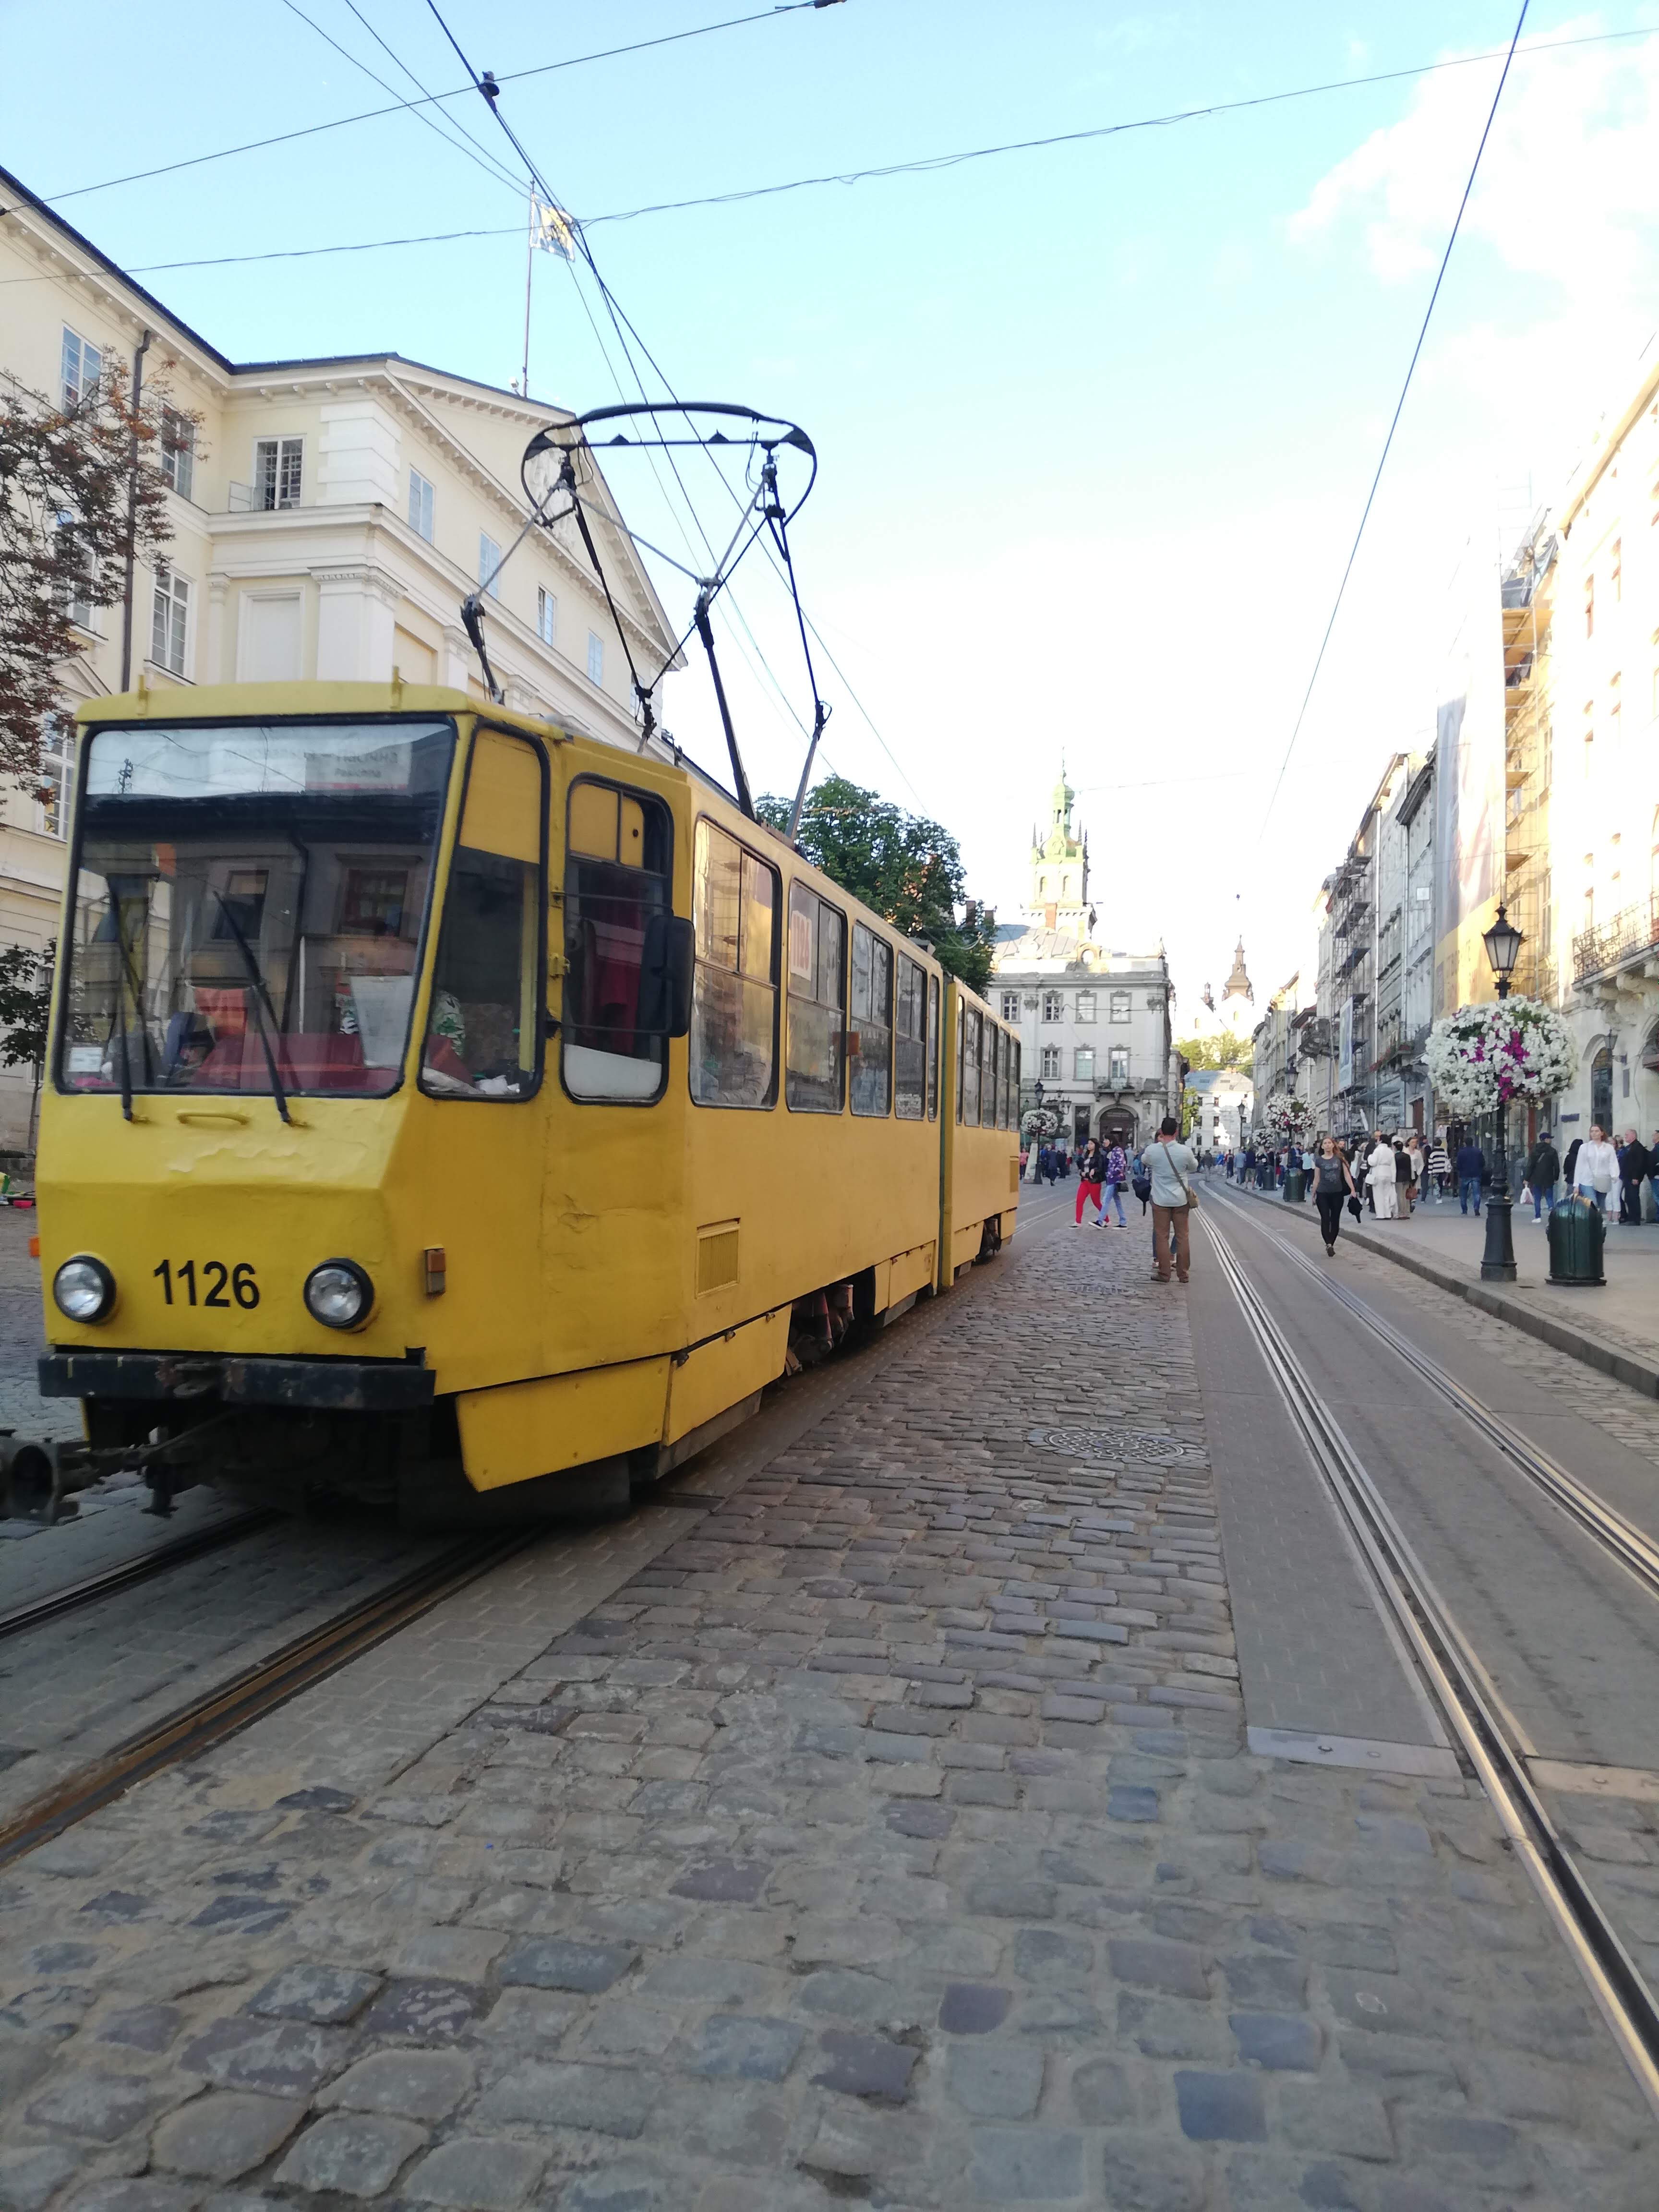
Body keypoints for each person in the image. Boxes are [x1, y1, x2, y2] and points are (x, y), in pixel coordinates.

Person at [1146, 1113, 1200, 1285]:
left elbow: (1145, 1161)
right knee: (1182, 1236)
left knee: (1162, 1236)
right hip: (1180, 1200)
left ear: (1162, 1132)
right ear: (1176, 1132)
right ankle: (1183, 1275)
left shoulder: (1153, 1150)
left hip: (1160, 1200)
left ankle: (1164, 1273)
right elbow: (1194, 1167)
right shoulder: (1185, 1151)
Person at [1311, 1135, 1357, 1257]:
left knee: (1335, 1219)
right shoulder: (1319, 1161)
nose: (1327, 1145)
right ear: (1322, 1147)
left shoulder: (1339, 1158)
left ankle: (1332, 1242)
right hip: (1322, 1193)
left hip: (1337, 1193)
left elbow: (1347, 1175)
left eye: (1329, 1143)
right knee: (1325, 1218)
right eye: (1325, 1143)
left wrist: (1353, 1189)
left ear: (1333, 1145)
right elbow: (1316, 1179)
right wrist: (1313, 1194)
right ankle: (1328, 1244)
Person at [1575, 1124, 1618, 1215]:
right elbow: (1579, 1166)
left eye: (1596, 1131)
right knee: (1592, 1203)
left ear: (1602, 1133)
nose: (1594, 1133)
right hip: (1587, 1180)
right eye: (1592, 1131)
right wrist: (1576, 1184)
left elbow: (1613, 1163)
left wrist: (1615, 1175)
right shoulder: (1584, 1147)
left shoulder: (1609, 1148)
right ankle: (1591, 1221)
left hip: (1603, 1180)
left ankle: (1597, 1221)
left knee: (1601, 1205)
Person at [1523, 1130, 1561, 1221]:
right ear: (1546, 1139)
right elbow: (1557, 1166)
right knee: (1549, 1197)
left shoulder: (1535, 1150)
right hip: (1549, 1177)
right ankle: (1552, 1215)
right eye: (1549, 1139)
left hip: (1537, 1177)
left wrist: (1527, 1178)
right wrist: (1556, 1177)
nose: (1550, 1140)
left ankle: (1538, 1217)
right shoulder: (1552, 1151)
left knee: (1537, 1198)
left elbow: (1531, 1165)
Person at [1619, 1130, 1652, 1226]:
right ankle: (1630, 1217)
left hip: (1633, 1177)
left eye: (1627, 1135)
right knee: (1628, 1198)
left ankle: (1635, 1219)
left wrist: (1636, 1177)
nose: (1625, 1136)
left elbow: (1639, 1164)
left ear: (1633, 1136)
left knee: (1633, 1197)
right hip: (1627, 1177)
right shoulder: (1629, 1147)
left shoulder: (1638, 1147)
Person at [1076, 1138, 1106, 1227]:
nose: (1089, 1145)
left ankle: (1107, 1219)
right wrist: (1082, 1173)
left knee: (1096, 1203)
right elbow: (1082, 1168)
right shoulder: (1086, 1156)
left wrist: (1094, 1170)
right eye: (1088, 1144)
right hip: (1084, 1182)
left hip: (1094, 1182)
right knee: (1079, 1201)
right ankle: (1078, 1222)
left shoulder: (1099, 1156)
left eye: (1091, 1144)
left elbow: (1100, 1168)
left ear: (1095, 1146)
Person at [1368, 1132, 1398, 1220]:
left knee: (1378, 1195)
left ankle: (1380, 1215)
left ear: (1380, 1141)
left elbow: (1373, 1162)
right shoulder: (1390, 1151)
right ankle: (1388, 1214)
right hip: (1388, 1174)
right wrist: (1393, 1178)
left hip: (1379, 1173)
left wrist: (1370, 1157)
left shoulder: (1378, 1150)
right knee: (1387, 1195)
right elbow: (1393, 1166)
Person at [1455, 1134, 1485, 1215]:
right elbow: (1482, 1163)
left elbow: (1458, 1165)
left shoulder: (1461, 1152)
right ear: (1472, 1143)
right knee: (1476, 1193)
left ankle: (1464, 1210)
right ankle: (1476, 1208)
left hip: (1465, 1174)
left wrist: (1461, 1170)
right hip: (1476, 1174)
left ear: (1465, 1143)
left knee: (1463, 1193)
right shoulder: (1478, 1152)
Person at [1103, 1138, 1130, 1226]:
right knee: (1117, 1201)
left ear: (1111, 1141)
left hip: (1114, 1179)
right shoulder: (1110, 1151)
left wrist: (1113, 1173)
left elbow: (1122, 1164)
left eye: (1106, 1139)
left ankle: (1100, 1221)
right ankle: (1123, 1221)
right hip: (1111, 1179)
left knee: (1106, 1200)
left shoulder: (1117, 1150)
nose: (1104, 1142)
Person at [1394, 1138, 1414, 1218]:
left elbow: (1394, 1168)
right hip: (1407, 1177)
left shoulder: (1395, 1157)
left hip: (1398, 1178)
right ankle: (1406, 1212)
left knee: (1400, 1195)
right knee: (1406, 1196)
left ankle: (1401, 1212)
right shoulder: (1407, 1156)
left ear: (1395, 1148)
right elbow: (1410, 1167)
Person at [1427, 1136, 1450, 1200]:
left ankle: (1438, 1196)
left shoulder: (1433, 1152)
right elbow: (1446, 1160)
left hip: (1435, 1171)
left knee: (1436, 1183)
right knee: (1440, 1183)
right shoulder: (1444, 1151)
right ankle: (1440, 1195)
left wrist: (1430, 1171)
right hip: (1442, 1170)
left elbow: (1431, 1162)